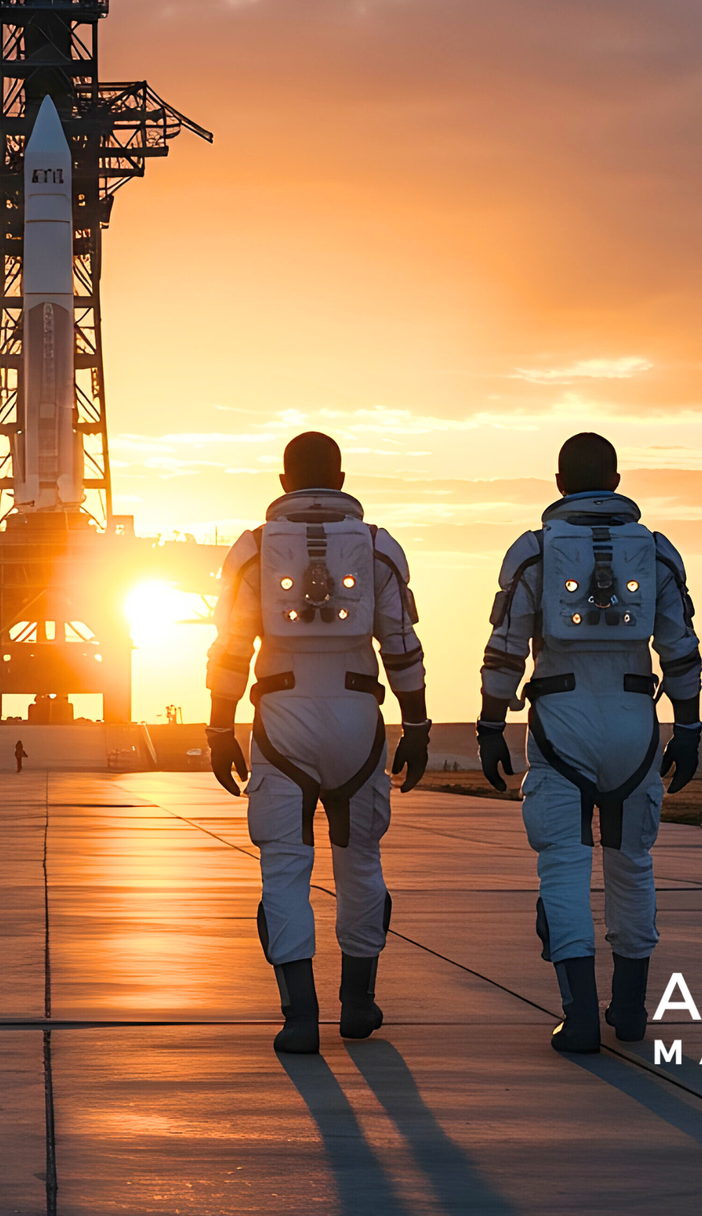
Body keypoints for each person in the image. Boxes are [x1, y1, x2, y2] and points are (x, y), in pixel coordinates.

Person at [204, 432, 431, 1054]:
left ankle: (300, 1017)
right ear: (339, 478)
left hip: (281, 719)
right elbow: (402, 646)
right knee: (361, 864)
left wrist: (220, 727)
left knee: (284, 869)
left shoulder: (252, 550)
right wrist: (417, 726)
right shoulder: (380, 547)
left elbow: (229, 649)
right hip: (360, 717)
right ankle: (358, 1004)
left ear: (283, 484)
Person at [476, 432, 701, 1054]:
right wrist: (689, 728)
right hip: (635, 721)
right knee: (633, 867)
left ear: (558, 483)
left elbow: (505, 648)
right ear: (618, 479)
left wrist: (491, 726)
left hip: (561, 720)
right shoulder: (655, 553)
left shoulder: (535, 552)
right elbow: (681, 651)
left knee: (564, 869)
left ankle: (578, 1019)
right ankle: (629, 1012)